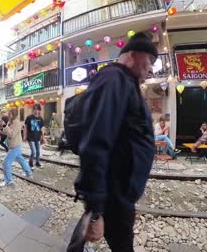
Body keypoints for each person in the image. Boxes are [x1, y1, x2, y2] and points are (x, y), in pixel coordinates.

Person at [75, 32, 157, 251]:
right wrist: (96, 212)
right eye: (150, 61)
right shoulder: (113, 79)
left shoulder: (124, 82)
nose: (151, 69)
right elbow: (95, 144)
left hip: (120, 193)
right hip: (113, 196)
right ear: (133, 55)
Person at [0, 108, 33, 187]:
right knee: (21, 160)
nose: (9, 114)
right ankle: (28, 172)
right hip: (14, 145)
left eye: (10, 113)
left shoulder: (17, 123)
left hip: (14, 146)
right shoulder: (10, 121)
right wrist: (2, 127)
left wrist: (5, 126)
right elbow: (5, 132)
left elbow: (11, 135)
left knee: (6, 163)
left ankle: (8, 181)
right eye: (9, 113)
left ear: (14, 114)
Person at [24, 104, 45, 169]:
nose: (36, 111)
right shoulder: (29, 117)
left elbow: (41, 128)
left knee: (38, 151)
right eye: (35, 109)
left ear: (39, 110)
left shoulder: (40, 118)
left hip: (38, 137)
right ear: (33, 110)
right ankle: (30, 163)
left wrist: (43, 137)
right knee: (33, 151)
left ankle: (37, 163)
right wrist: (24, 136)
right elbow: (25, 127)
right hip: (30, 137)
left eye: (37, 109)